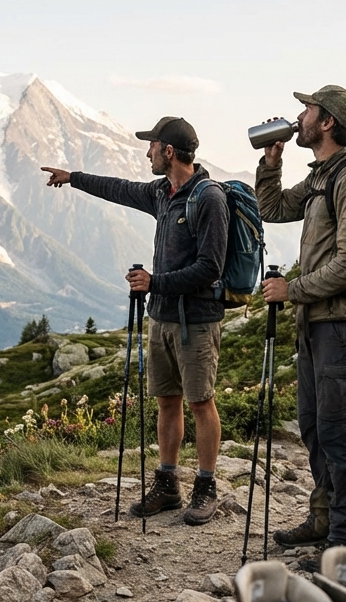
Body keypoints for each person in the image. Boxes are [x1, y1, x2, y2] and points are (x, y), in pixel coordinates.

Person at [40, 117, 229, 525]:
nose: (147, 152)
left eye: (152, 146)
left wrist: (154, 281)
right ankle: (167, 485)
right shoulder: (163, 192)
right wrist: (73, 177)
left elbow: (210, 268)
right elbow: (119, 189)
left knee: (200, 402)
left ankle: (206, 485)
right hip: (161, 317)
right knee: (166, 401)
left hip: (196, 321)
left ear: (169, 152)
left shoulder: (208, 198)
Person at [254, 86, 346, 571]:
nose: (298, 116)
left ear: (326, 121)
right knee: (313, 426)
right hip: (318, 322)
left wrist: (295, 289)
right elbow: (272, 209)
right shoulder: (322, 176)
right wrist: (271, 161)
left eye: (307, 110)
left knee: (338, 429)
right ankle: (324, 518)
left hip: (344, 324)